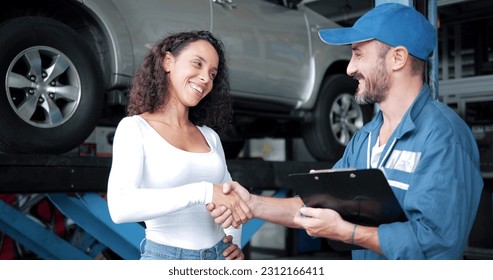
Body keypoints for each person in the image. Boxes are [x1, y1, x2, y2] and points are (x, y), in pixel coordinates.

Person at [208, 3, 484, 260]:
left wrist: (347, 233)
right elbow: (316, 208)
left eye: (358, 54)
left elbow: (436, 241)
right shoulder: (365, 138)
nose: (350, 68)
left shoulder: (442, 136)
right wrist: (253, 204)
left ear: (397, 58)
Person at [107, 30, 252, 260]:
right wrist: (202, 191)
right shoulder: (135, 128)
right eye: (197, 64)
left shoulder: (209, 136)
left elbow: (229, 196)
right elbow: (120, 207)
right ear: (167, 62)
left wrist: (234, 241)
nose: (205, 78)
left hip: (218, 258)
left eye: (212, 74)